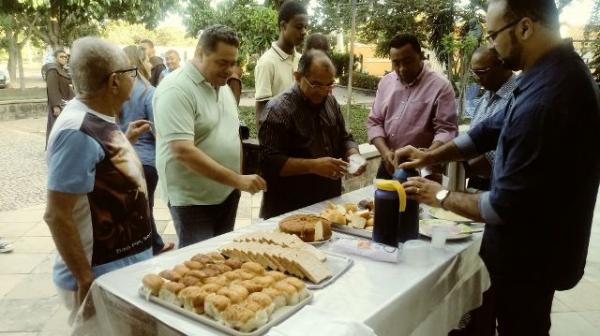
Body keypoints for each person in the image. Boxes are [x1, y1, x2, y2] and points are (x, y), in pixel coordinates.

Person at [395, 0, 600, 334]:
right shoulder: (548, 73)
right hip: (532, 253)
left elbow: (504, 206)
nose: (491, 45)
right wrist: (427, 156)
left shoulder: (550, 99)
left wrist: (440, 194)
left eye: (493, 35)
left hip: (532, 259)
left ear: (524, 27)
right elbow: (487, 130)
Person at [44, 36, 154, 322]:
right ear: (114, 81)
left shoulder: (96, 118)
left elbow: (97, 167)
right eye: (131, 72)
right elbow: (57, 214)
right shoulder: (77, 132)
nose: (136, 78)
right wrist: (85, 280)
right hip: (100, 278)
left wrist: (123, 139)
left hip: (119, 271)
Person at [154, 25, 267, 247]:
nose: (229, 70)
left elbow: (232, 134)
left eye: (232, 62)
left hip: (227, 194)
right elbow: (183, 151)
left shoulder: (221, 84)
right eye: (222, 62)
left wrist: (237, 180)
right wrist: (237, 180)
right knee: (201, 267)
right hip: (193, 202)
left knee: (221, 261)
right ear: (199, 53)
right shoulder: (175, 89)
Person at [259, 50, 366, 219]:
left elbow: (345, 138)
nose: (323, 92)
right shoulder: (278, 110)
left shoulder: (330, 102)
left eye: (329, 85)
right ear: (298, 76)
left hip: (329, 203)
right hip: (289, 208)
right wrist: (313, 166)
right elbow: (269, 163)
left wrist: (354, 156)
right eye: (316, 85)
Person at [367, 33, 457, 179]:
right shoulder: (386, 82)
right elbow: (374, 122)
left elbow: (446, 130)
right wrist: (385, 153)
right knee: (382, 200)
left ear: (420, 55)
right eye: (396, 63)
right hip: (388, 164)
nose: (402, 68)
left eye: (408, 61)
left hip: (423, 170)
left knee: (420, 203)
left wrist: (427, 155)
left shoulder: (441, 86)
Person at [119, 45, 175, 255]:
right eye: (148, 60)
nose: (151, 64)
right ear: (140, 63)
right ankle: (150, 248)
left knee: (138, 207)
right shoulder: (149, 92)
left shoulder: (116, 90)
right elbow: (157, 130)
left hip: (124, 156)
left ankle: (154, 243)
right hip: (147, 161)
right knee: (145, 207)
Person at [465, 47, 517, 191]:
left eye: (481, 72)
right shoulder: (483, 100)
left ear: (503, 66)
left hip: (500, 186)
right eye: (473, 73)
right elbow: (473, 142)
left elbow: (498, 156)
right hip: (476, 181)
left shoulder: (518, 98)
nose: (477, 78)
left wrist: (461, 171)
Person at [254, 0, 308, 129]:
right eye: (299, 27)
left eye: (306, 27)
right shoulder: (266, 63)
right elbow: (262, 114)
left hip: (303, 139)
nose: (304, 32)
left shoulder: (303, 61)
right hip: (279, 141)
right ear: (284, 26)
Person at [45, 49, 75, 147]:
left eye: (66, 57)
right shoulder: (52, 70)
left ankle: (65, 146)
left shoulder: (62, 70)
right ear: (55, 58)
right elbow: (52, 89)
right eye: (61, 57)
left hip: (66, 103)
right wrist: (56, 106)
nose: (64, 59)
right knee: (56, 126)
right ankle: (55, 147)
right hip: (58, 104)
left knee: (66, 126)